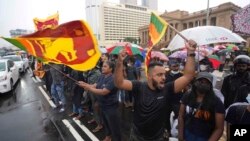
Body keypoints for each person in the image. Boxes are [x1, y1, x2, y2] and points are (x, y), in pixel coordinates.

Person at [114, 40, 197, 140]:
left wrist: (191, 52)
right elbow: (119, 83)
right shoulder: (139, 87)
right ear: (149, 76)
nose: (164, 78)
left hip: (158, 137)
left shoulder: (167, 89)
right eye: (159, 75)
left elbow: (188, 76)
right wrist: (119, 62)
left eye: (164, 75)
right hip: (137, 136)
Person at [78, 61, 121, 141]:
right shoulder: (102, 76)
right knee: (106, 123)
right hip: (103, 105)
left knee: (114, 127)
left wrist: (89, 88)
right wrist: (85, 84)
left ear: (111, 69)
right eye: (103, 66)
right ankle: (108, 137)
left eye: (105, 66)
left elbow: (103, 92)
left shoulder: (113, 79)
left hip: (111, 107)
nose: (102, 67)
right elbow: (95, 85)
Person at [178, 72, 225, 141]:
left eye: (207, 83)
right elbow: (181, 116)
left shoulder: (216, 102)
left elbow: (219, 128)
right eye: (201, 81)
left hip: (205, 137)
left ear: (210, 85)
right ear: (195, 82)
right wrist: (181, 136)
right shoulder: (188, 96)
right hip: (187, 133)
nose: (203, 84)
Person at [164, 60, 184, 137]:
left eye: (177, 66)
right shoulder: (166, 75)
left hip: (178, 100)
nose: (176, 67)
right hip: (168, 99)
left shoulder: (182, 76)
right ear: (170, 67)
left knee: (178, 116)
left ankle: (176, 131)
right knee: (166, 116)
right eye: (174, 66)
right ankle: (167, 131)